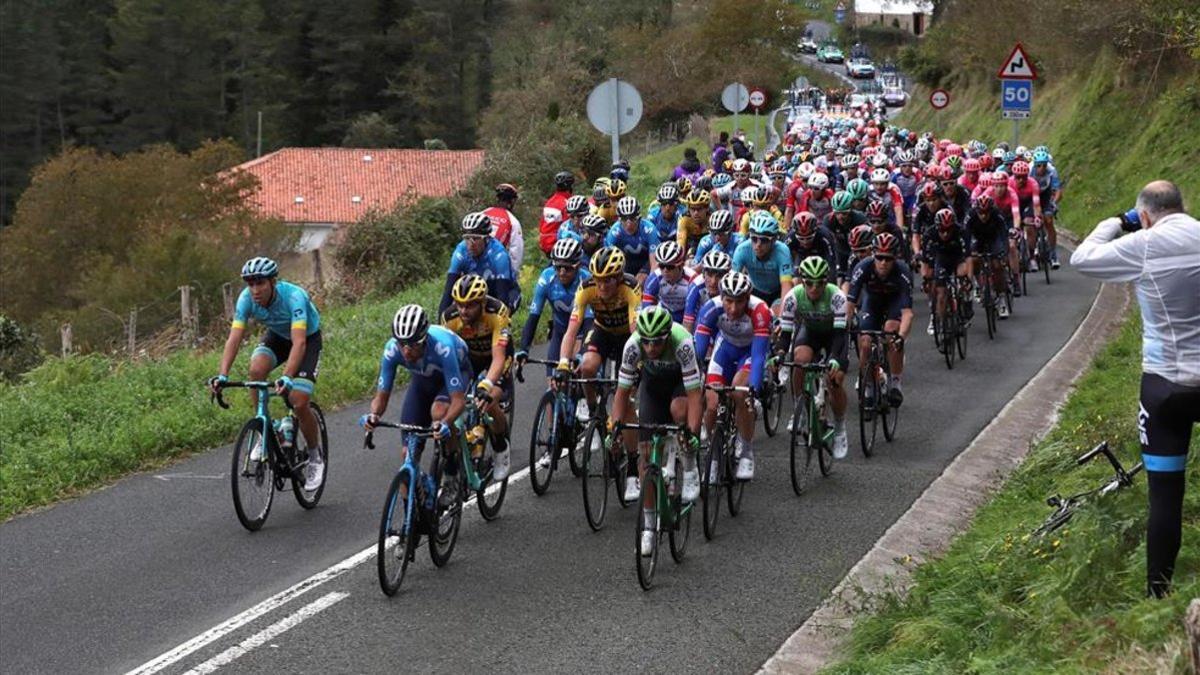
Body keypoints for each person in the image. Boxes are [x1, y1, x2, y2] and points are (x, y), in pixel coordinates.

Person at [1070, 180, 1200, 599]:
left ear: (1144, 215)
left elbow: (1082, 257)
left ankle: (1157, 597)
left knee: (1165, 498)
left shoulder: (1142, 243)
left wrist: (1116, 221)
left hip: (1165, 386)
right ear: (1183, 206)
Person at [209, 257, 325, 491]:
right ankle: (266, 430)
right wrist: (222, 375)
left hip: (305, 340)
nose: (255, 290)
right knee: (256, 371)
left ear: (273, 281)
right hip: (277, 337)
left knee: (299, 401)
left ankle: (315, 456)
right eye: (250, 284)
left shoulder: (294, 297)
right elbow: (234, 338)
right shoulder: (245, 299)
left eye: (260, 283)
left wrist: (288, 376)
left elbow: (300, 343)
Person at [610, 307, 704, 552]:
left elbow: (695, 396)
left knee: (679, 410)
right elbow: (622, 393)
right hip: (653, 386)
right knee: (645, 458)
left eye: (657, 343)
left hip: (680, 383)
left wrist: (693, 434)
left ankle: (690, 465)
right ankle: (649, 526)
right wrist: (615, 430)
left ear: (666, 336)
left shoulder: (682, 342)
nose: (651, 348)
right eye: (647, 343)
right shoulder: (632, 346)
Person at [365, 305, 472, 506]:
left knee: (439, 413)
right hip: (422, 382)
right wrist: (373, 416)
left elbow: (458, 401)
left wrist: (447, 423)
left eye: (413, 345)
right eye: (401, 344)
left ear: (424, 340)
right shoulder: (392, 350)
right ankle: (411, 522)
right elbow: (381, 396)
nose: (406, 351)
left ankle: (451, 475)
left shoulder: (443, 348)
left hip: (455, 376)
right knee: (407, 456)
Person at [693, 271, 773, 479]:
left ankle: (746, 451)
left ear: (748, 298)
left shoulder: (760, 310)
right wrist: (694, 377)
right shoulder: (711, 308)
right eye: (729, 301)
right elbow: (699, 351)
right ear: (722, 297)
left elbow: (758, 357)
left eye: (739, 302)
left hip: (749, 352)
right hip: (725, 350)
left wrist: (753, 388)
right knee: (711, 404)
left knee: (740, 392)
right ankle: (715, 452)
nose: (734, 308)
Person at [440, 274, 514, 479]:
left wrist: (487, 385)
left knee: (489, 402)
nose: (463, 310)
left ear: (482, 303)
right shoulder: (449, 318)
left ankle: (500, 446)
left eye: (470, 305)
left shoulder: (497, 312)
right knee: (453, 401)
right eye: (460, 304)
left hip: (496, 357)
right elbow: (447, 358)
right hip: (469, 358)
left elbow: (499, 358)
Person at [779, 256, 850, 458]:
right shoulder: (793, 297)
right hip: (810, 333)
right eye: (809, 282)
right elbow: (785, 335)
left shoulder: (837, 297)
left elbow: (839, 335)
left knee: (834, 379)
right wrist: (780, 354)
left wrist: (834, 358)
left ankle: (839, 427)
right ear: (802, 281)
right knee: (799, 361)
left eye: (820, 283)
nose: (814, 288)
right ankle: (799, 410)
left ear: (826, 281)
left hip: (834, 337)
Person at [844, 233, 914, 409]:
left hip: (894, 302)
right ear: (873, 255)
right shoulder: (863, 267)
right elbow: (850, 303)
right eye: (879, 257)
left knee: (892, 333)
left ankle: (896, 382)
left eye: (888, 259)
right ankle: (867, 385)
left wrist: (902, 336)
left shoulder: (903, 271)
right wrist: (844, 326)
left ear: (895, 258)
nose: (883, 262)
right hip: (872, 302)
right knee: (865, 342)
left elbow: (907, 313)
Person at [517, 238, 586, 377]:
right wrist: (524, 349)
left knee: (582, 371)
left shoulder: (586, 280)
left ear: (578, 266)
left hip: (582, 332)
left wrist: (582, 352)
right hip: (559, 331)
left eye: (567, 268)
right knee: (553, 380)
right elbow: (534, 316)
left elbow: (590, 322)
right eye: (558, 267)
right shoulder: (547, 278)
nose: (562, 272)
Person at [440, 212, 518, 315]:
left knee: (501, 315)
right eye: (467, 238)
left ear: (486, 238)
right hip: (476, 292)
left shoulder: (499, 255)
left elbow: (502, 296)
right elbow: (448, 294)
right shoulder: (460, 252)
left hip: (502, 290)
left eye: (476, 238)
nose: (471, 244)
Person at [732, 211, 794, 311]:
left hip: (777, 293)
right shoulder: (742, 250)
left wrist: (783, 316)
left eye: (764, 240)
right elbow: (732, 281)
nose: (758, 244)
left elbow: (786, 285)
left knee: (777, 313)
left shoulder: (782, 250)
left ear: (774, 240)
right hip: (755, 291)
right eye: (754, 238)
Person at [605, 196, 661, 280]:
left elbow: (654, 263)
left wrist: (650, 284)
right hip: (625, 264)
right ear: (619, 220)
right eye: (624, 219)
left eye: (632, 218)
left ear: (639, 218)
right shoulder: (614, 232)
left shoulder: (649, 229)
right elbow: (608, 263)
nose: (629, 224)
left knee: (641, 280)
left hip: (645, 262)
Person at [641, 241, 695, 323]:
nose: (665, 271)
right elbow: (646, 311)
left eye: (670, 267)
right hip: (664, 315)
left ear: (681, 265)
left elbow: (695, 312)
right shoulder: (654, 278)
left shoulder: (693, 279)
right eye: (662, 266)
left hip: (687, 315)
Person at [483, 183, 525, 272]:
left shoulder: (483, 213)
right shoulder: (513, 221)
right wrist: (513, 274)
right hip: (495, 266)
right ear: (512, 201)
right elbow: (516, 253)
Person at [538, 171, 575, 255]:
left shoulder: (549, 202)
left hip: (544, 242)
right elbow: (570, 226)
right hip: (556, 244)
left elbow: (542, 225)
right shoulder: (567, 203)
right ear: (570, 187)